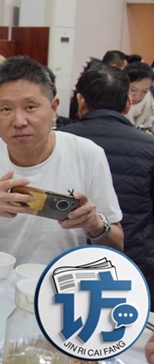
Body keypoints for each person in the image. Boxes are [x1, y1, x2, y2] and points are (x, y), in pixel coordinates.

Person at [0, 56, 123, 264]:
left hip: (62, 279)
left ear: (53, 108)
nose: (19, 121)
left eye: (30, 107)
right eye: (6, 109)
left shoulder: (87, 154)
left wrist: (95, 224)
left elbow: (117, 247)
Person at [62, 64, 154, 306]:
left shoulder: (57, 143)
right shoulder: (150, 148)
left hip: (68, 263)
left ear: (80, 101)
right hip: (134, 267)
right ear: (128, 104)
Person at [124, 62, 154, 132]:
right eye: (133, 90)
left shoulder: (151, 105)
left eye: (144, 91)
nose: (137, 96)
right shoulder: (111, 104)